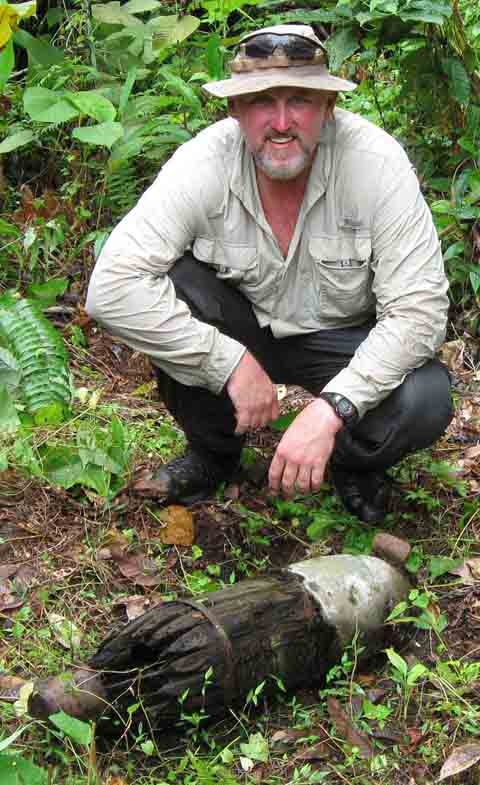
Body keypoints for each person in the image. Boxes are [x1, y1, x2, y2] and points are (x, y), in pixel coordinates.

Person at [86, 23, 453, 523]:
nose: (281, 122)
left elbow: (420, 312)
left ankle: (350, 461)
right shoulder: (203, 162)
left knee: (425, 397)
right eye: (261, 101)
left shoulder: (376, 165)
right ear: (236, 110)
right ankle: (214, 454)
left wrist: (333, 410)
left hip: (342, 339)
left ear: (328, 108)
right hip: (243, 328)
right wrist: (228, 362)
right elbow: (111, 287)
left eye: (300, 100)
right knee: (170, 286)